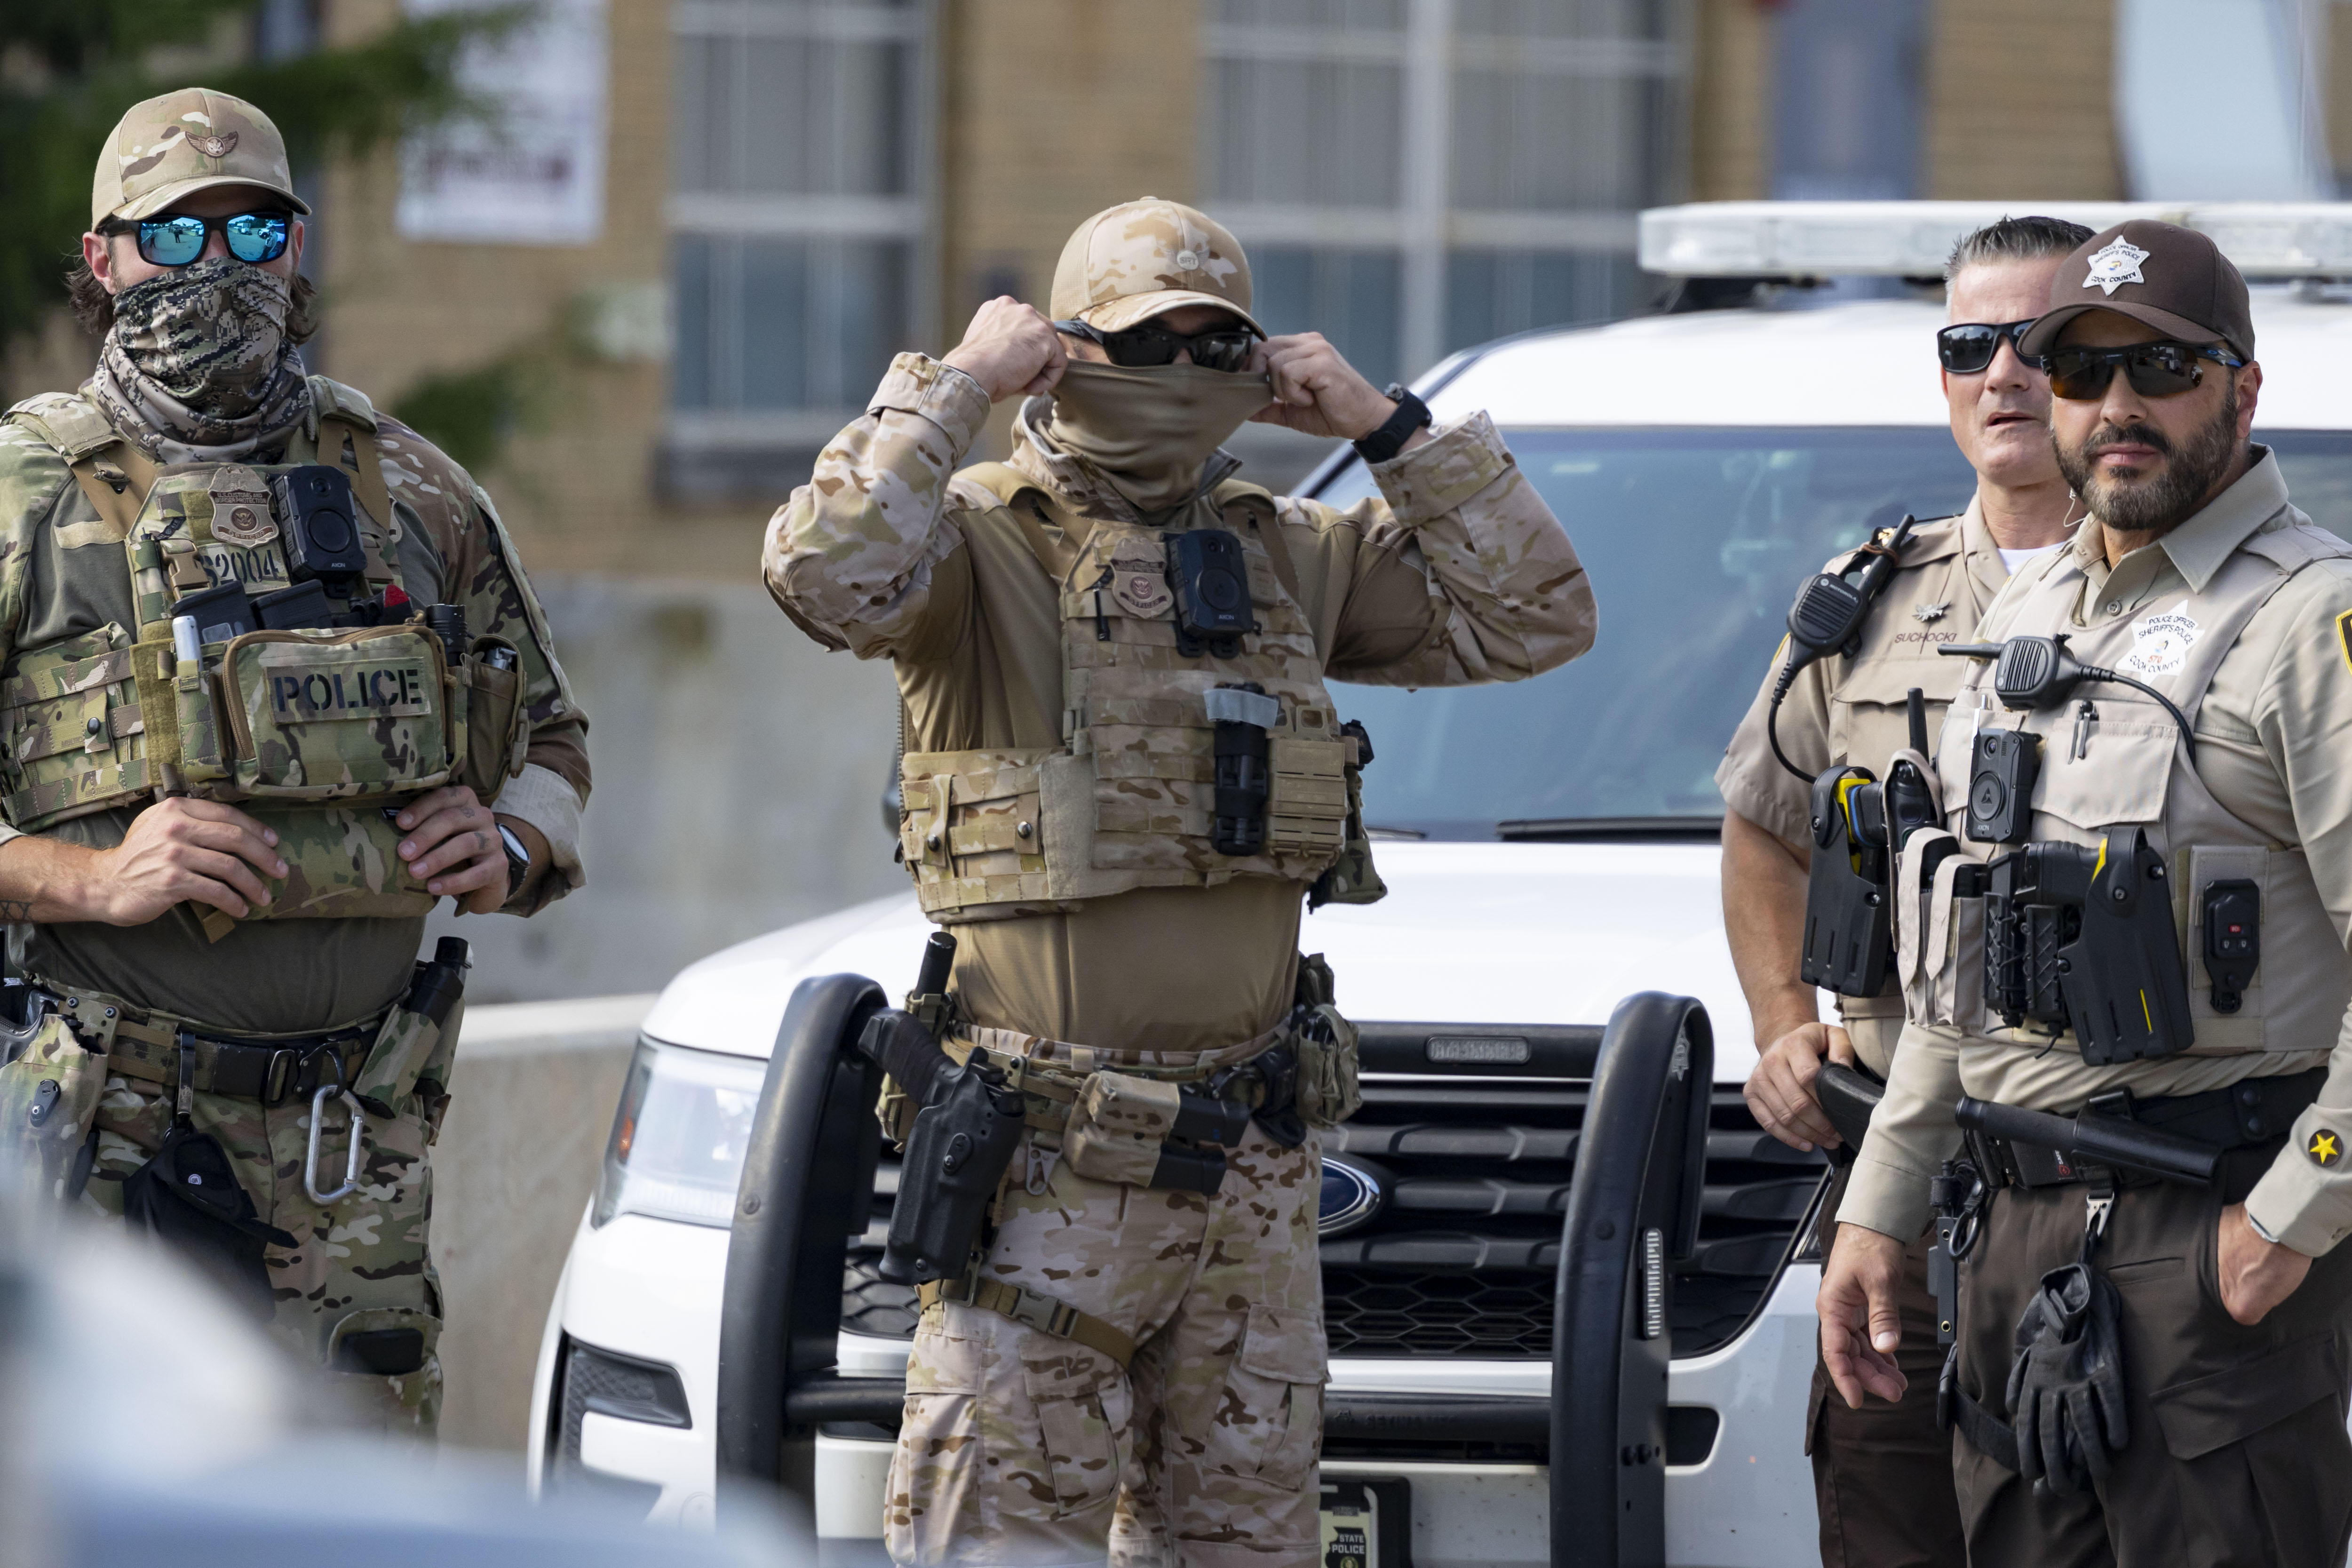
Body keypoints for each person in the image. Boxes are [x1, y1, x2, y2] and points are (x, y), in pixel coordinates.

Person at [765, 197, 1592, 1567]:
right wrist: (956, 384)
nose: (1186, 374)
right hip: (1043, 1173)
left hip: (1252, 1176)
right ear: (1065, 350)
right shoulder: (974, 543)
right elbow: (818, 570)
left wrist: (1389, 429)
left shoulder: (1290, 552)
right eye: (1151, 343)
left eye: (1222, 348)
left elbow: (1540, 614)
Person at [0, 89, 589, 1431]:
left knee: (356, 1506)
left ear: (298, 246)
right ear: (103, 261)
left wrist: (510, 840)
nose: (219, 268)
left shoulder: (413, 491)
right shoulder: (23, 495)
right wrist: (91, 881)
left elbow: (552, 734)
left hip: (353, 1147)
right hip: (103, 1139)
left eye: (252, 233)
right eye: (175, 237)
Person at [1819, 219, 2352, 1565]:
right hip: (2007, 1237)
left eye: (2161, 367)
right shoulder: (2033, 616)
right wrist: (1883, 1203)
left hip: (2208, 1235)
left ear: (2243, 389)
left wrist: (2287, 1225)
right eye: (2080, 371)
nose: (2116, 405)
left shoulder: (2310, 620)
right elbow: (1962, 958)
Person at [1717, 215, 2089, 1566]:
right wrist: (1784, 1024)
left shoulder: (2202, 604)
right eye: (1970, 345)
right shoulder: (1868, 599)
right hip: (1900, 1177)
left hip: (2118, 1185)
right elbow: (1764, 827)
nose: (2004, 374)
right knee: (1890, 1525)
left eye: (2041, 342)